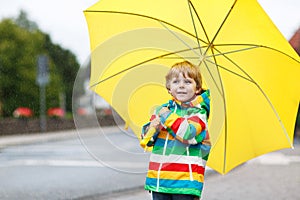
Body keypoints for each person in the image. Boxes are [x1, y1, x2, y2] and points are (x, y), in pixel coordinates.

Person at [140, 60, 211, 200]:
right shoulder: (164, 110)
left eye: (188, 82)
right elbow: (147, 140)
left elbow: (187, 133)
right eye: (176, 82)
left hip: (185, 183)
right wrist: (151, 128)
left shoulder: (198, 113)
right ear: (169, 88)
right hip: (160, 180)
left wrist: (166, 117)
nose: (182, 86)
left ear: (197, 88)